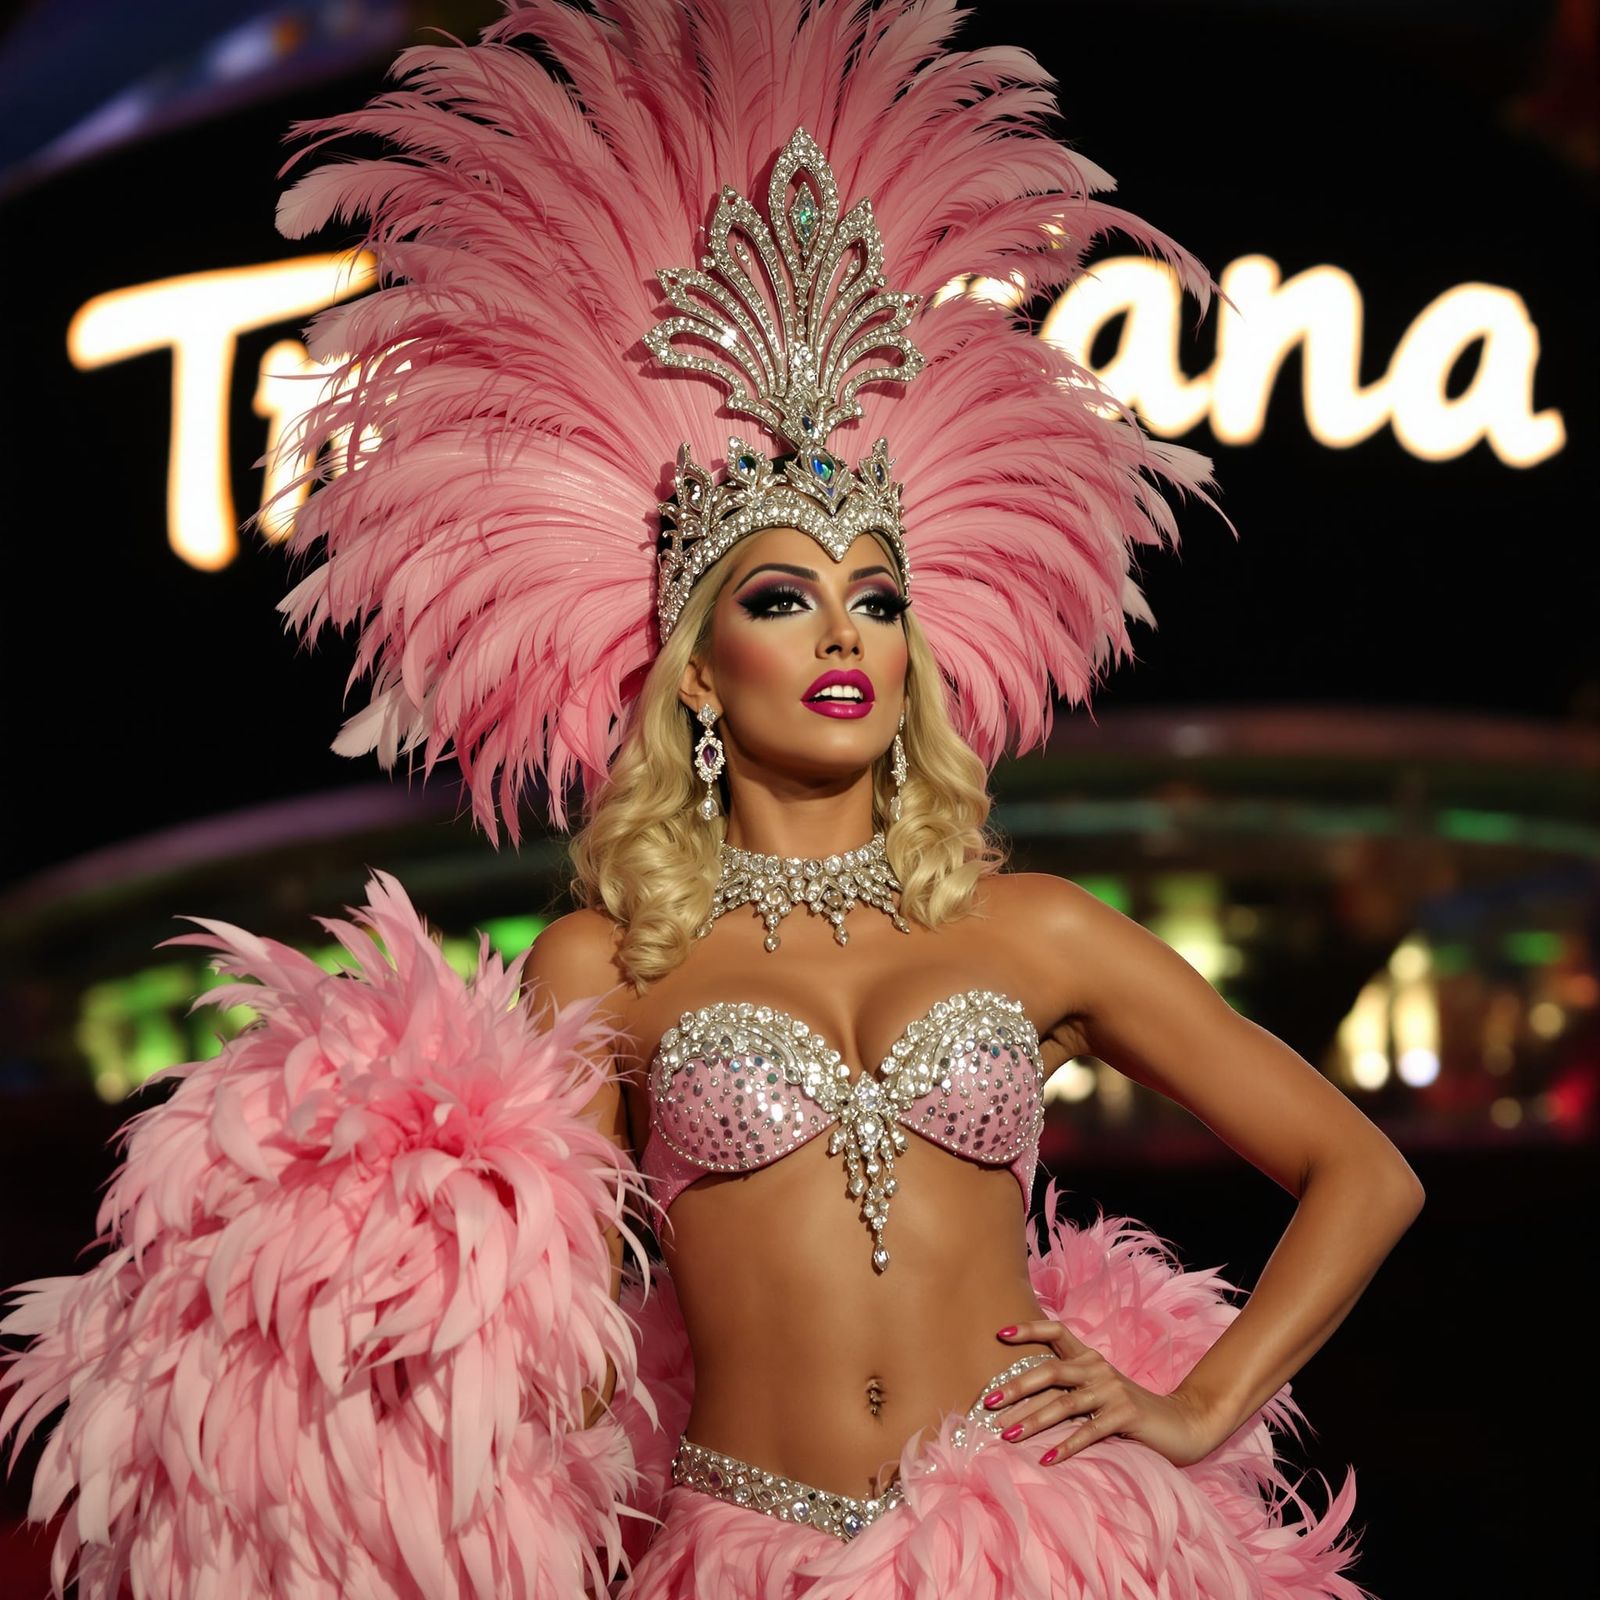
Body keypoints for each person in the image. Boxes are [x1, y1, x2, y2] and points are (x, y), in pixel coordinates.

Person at [1, 3, 1422, 1596]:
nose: (841, 637)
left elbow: (1365, 1170)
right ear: (694, 669)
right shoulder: (606, 968)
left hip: (1042, 1544)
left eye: (877, 602)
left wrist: (1197, 1405)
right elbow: (564, 1342)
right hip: (746, 1560)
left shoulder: (1035, 933)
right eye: (780, 601)